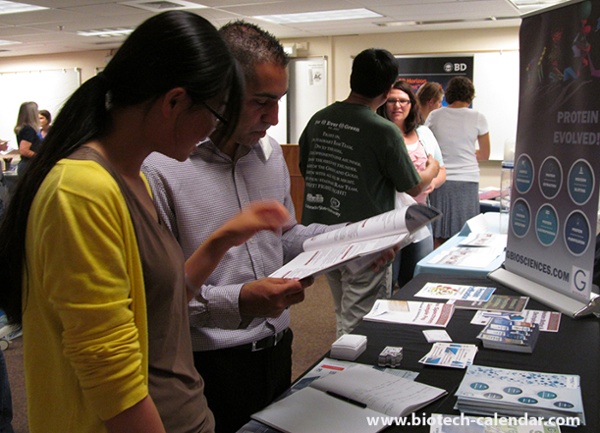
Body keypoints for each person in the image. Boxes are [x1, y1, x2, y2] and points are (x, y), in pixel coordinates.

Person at [0, 10, 292, 433]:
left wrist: (223, 238)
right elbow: (110, 376)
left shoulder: (132, 177)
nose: (217, 129)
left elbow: (163, 302)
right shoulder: (82, 190)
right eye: (216, 112)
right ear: (173, 102)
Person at [299, 48, 440, 337]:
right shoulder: (382, 130)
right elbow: (413, 185)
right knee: (360, 322)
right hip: (366, 240)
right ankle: (347, 376)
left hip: (323, 234)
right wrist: (433, 167)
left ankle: (336, 369)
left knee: (342, 310)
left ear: (352, 79)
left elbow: (306, 168)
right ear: (389, 89)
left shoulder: (319, 120)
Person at [377, 80, 446, 287]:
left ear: (412, 104)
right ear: (383, 104)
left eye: (403, 101)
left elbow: (441, 169)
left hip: (420, 216)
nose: (398, 106)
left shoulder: (424, 133)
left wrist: (433, 181)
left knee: (417, 279)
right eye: (392, 101)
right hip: (389, 220)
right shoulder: (380, 134)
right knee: (388, 279)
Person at [425, 76, 490, 247]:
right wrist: (466, 151)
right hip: (467, 180)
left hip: (440, 180)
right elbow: (485, 154)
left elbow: (425, 145)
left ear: (449, 95)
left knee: (438, 234)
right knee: (466, 235)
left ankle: (434, 270)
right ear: (470, 96)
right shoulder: (478, 117)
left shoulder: (435, 115)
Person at [14, 101, 41, 175]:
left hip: (25, 165)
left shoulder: (23, 128)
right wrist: (41, 157)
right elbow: (24, 150)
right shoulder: (29, 129)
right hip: (29, 166)